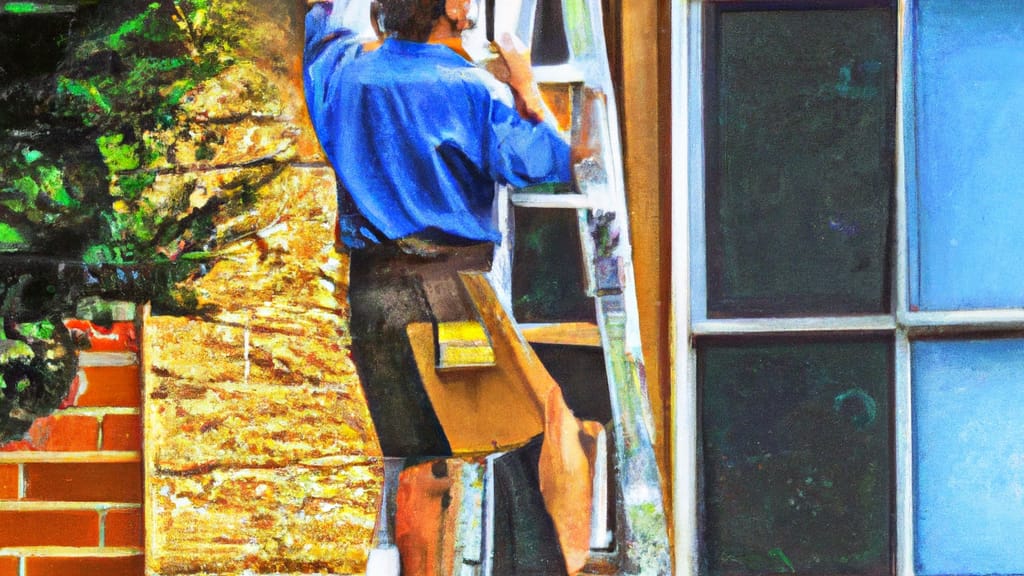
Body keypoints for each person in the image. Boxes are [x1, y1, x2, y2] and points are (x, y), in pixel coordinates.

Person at [302, 0, 593, 573]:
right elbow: (558, 162)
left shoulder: (342, 75)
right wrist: (526, 85)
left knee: (423, 460)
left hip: (370, 303)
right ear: (454, 8)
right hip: (449, 302)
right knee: (554, 421)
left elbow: (323, 23)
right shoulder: (469, 90)